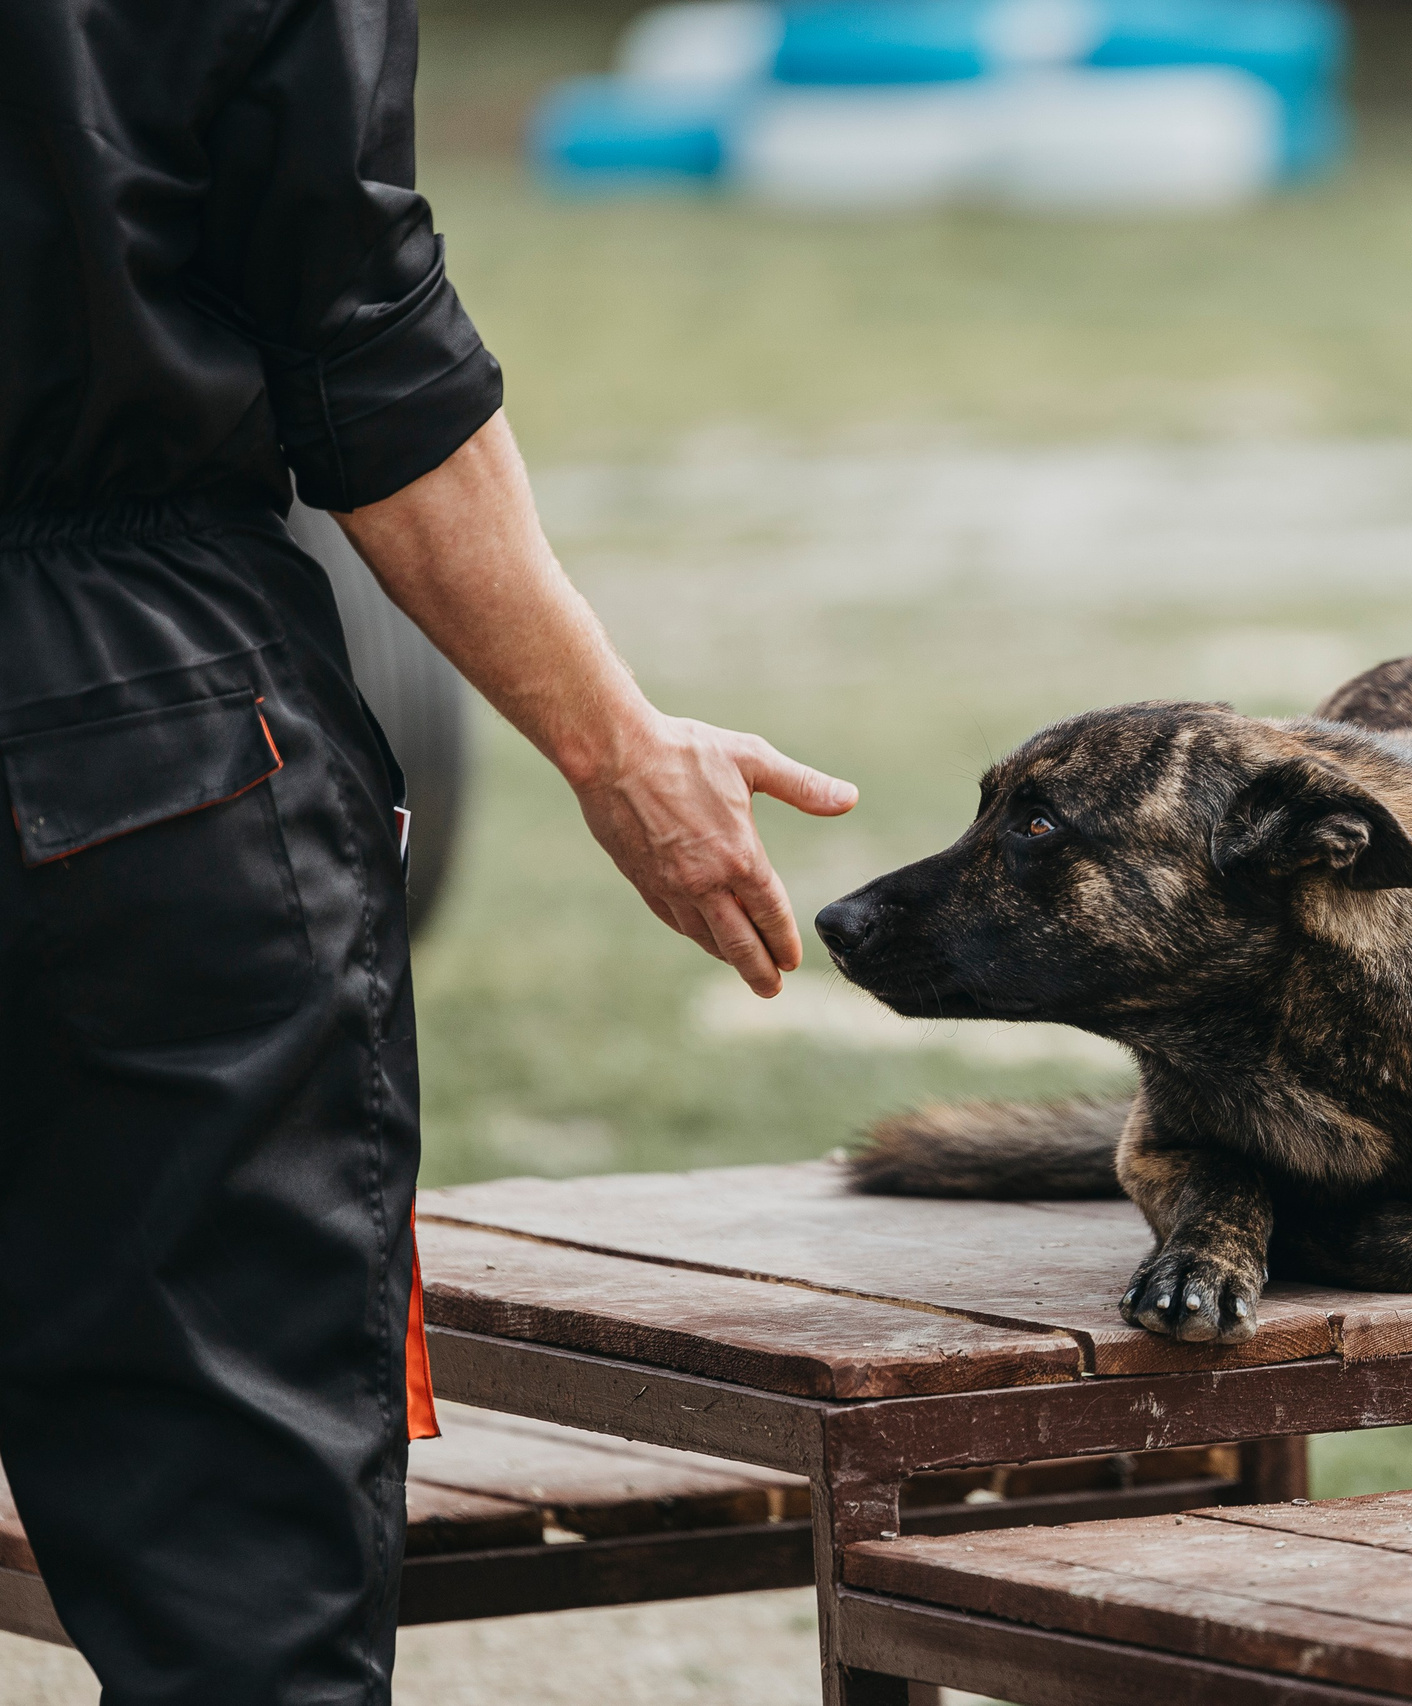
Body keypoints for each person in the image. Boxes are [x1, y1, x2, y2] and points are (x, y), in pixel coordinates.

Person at [0, 1, 854, 1698]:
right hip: (146, 726)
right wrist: (614, 743)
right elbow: (361, 340)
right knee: (237, 1587)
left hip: (134, 694)